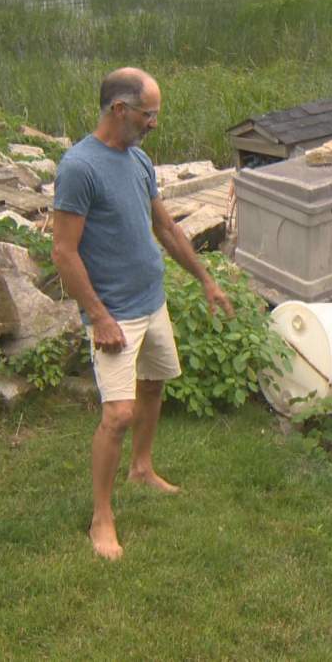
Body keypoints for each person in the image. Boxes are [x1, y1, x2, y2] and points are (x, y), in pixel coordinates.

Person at [52, 67, 234, 560]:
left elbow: (168, 229)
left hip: (151, 300)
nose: (154, 123)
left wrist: (206, 279)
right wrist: (100, 316)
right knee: (118, 414)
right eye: (148, 114)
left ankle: (142, 468)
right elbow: (64, 253)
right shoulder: (79, 167)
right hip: (114, 312)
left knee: (153, 386)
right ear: (120, 110)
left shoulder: (138, 159)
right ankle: (101, 518)